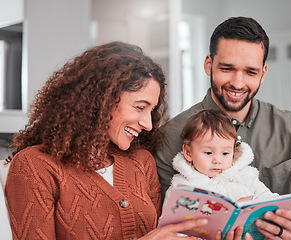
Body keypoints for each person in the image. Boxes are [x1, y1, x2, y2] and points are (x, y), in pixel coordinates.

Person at [5, 41, 224, 240]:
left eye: (152, 110)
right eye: (140, 107)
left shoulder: (141, 162)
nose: (148, 123)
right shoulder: (34, 167)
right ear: (102, 99)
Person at [154, 17, 291, 240]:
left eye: (250, 72)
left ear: (263, 72)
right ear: (208, 65)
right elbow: (161, 219)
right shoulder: (169, 135)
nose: (238, 83)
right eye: (227, 68)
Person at [162, 109, 291, 234]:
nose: (217, 160)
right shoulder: (181, 187)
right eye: (208, 153)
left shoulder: (243, 175)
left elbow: (268, 198)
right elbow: (169, 228)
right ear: (188, 153)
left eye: (225, 153)